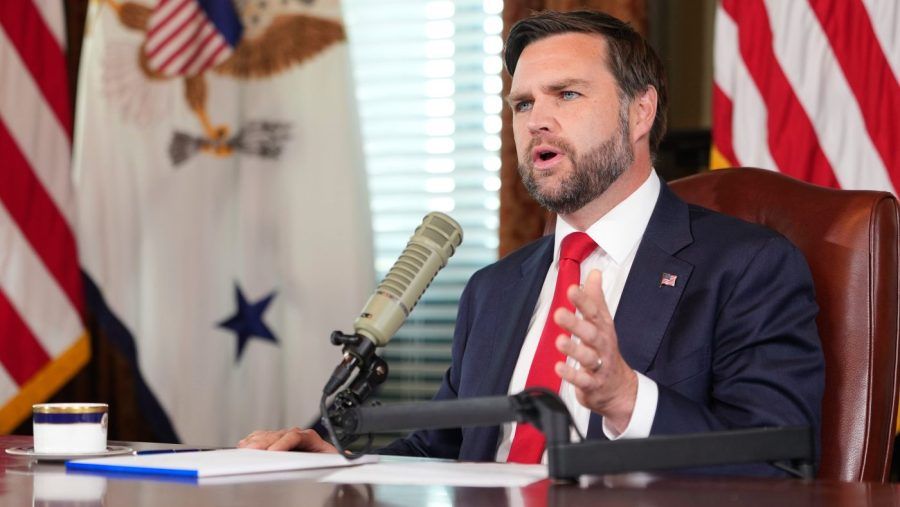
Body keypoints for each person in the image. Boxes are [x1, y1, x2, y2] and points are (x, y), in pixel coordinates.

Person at [238, 10, 824, 475]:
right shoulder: (492, 290)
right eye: (522, 104)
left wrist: (627, 399)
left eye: (566, 94)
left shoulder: (747, 266)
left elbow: (779, 464)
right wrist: (339, 461)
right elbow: (445, 451)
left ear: (640, 111)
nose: (535, 120)